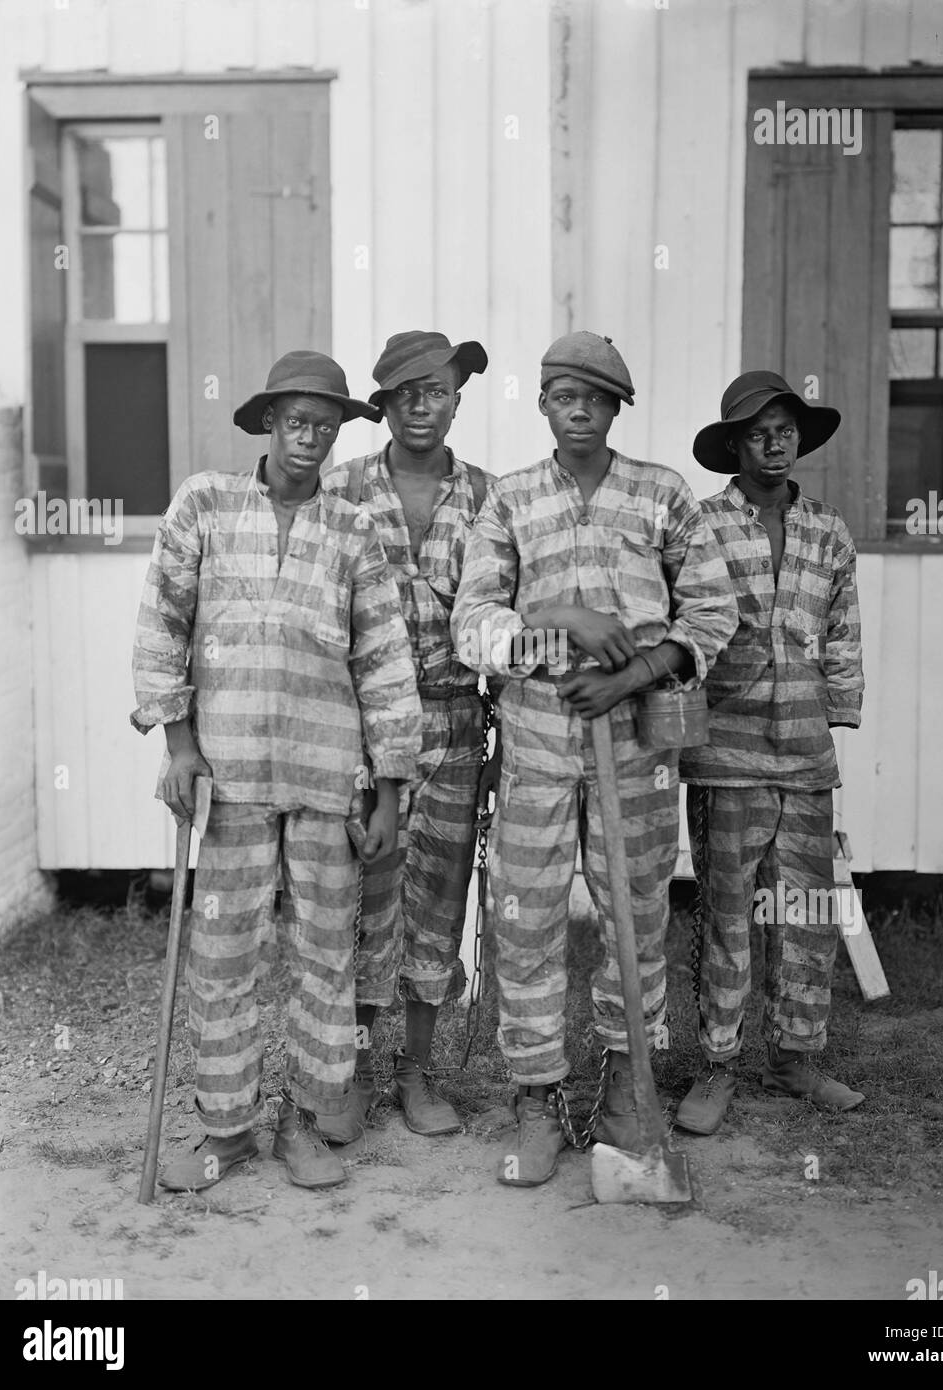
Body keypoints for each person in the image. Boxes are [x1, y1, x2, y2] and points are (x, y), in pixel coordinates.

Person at [451, 331, 738, 1186]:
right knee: (526, 924)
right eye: (564, 396)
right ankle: (538, 1100)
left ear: (617, 409)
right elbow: (473, 623)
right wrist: (562, 625)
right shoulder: (509, 500)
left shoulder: (662, 495)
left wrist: (639, 674)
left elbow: (712, 611)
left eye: (597, 399)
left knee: (635, 917)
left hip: (638, 748)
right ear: (542, 404)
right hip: (538, 748)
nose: (580, 411)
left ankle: (625, 1089)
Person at [131, 350, 422, 1191]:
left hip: (329, 780)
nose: (311, 439)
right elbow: (162, 624)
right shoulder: (207, 506)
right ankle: (227, 1131)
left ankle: (303, 1120)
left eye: (326, 427)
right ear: (267, 422)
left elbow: (385, 663)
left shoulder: (354, 532)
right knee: (224, 954)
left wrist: (390, 790)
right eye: (297, 422)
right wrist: (180, 746)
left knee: (325, 953)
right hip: (227, 778)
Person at [677, 370, 866, 1137]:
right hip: (726, 750)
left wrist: (838, 709)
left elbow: (843, 629)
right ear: (735, 446)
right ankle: (718, 1064)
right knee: (727, 912)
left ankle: (798, 1057)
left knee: (806, 911)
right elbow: (683, 627)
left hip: (805, 753)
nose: (775, 442)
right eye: (759, 432)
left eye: (786, 429)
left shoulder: (828, 530)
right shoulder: (704, 526)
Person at [323, 330, 500, 1139]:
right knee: (367, 900)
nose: (421, 407)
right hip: (366, 729)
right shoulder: (344, 489)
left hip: (459, 721)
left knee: (437, 900)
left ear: (458, 396)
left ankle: (417, 1074)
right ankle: (355, 1071)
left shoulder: (494, 498)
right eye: (403, 395)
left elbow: (507, 618)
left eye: (435, 391)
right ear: (383, 406)